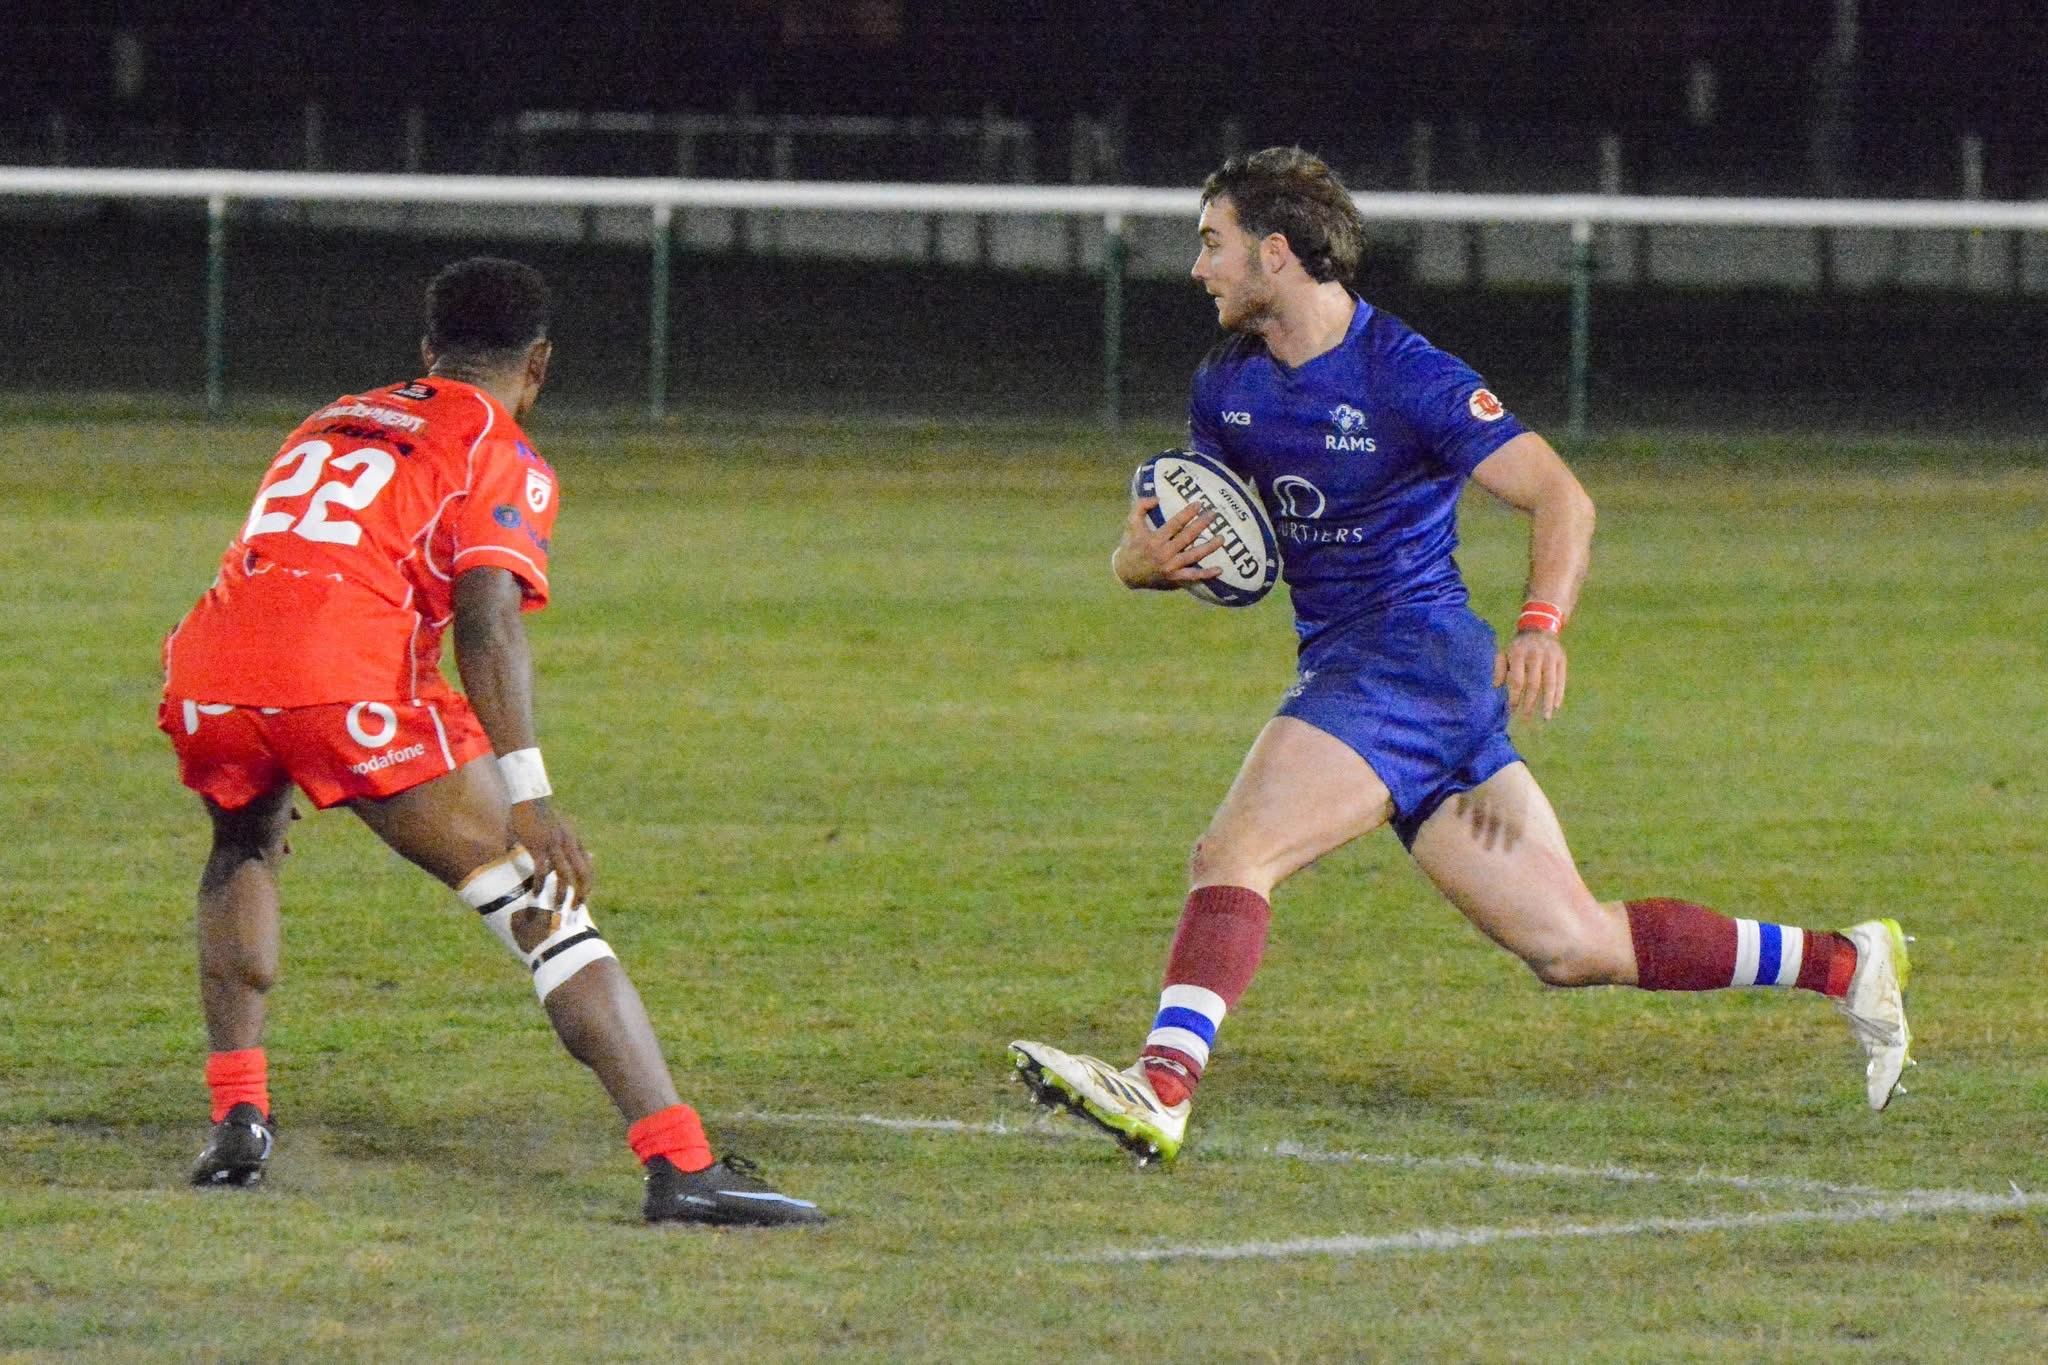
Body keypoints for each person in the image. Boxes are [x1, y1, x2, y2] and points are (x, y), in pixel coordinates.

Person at [1008, 148, 1911, 1164]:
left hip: (1409, 665)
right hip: (1382, 678)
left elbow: (1561, 497)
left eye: (1212, 242)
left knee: (1234, 854)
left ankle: (1162, 1086)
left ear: (1275, 253)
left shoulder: (1407, 373)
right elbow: (1204, 532)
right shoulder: (1227, 383)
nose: (1196, 267)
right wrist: (1136, 563)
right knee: (1570, 943)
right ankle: (1844, 964)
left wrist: (1540, 624)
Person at [159, 257, 823, 1226]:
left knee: (243, 846)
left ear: (428, 348)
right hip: (341, 676)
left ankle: (237, 1122)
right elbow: (488, 619)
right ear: (538, 363)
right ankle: (681, 1165)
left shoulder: (333, 416)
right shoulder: (492, 441)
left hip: (210, 664)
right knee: (536, 901)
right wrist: (531, 795)